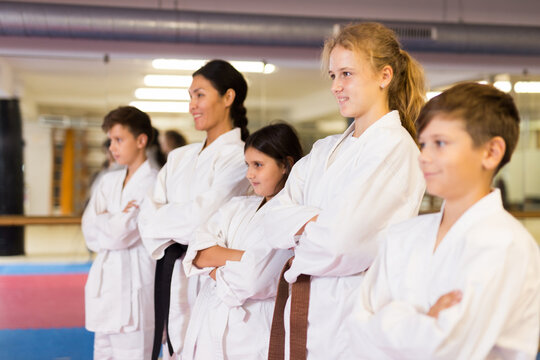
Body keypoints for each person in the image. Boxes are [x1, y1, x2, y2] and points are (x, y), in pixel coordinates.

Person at [265, 22, 427, 359]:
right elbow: (269, 220)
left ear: (384, 76)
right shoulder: (325, 149)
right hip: (307, 310)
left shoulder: (396, 148)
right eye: (333, 75)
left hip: (352, 316)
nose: (336, 86)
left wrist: (300, 229)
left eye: (347, 74)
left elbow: (340, 243)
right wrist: (318, 222)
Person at [349, 82, 540, 359]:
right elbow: (356, 331)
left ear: (491, 152)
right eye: (423, 143)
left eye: (440, 143)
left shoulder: (505, 245)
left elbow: (447, 351)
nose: (424, 157)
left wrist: (390, 317)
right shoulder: (403, 236)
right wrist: (424, 321)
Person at [138, 59, 251, 360]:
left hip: (211, 276)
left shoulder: (242, 157)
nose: (192, 105)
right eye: (190, 96)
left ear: (228, 97)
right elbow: (145, 219)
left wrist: (168, 217)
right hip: (171, 273)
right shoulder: (178, 157)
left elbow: (201, 220)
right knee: (171, 346)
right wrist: (177, 220)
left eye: (200, 94)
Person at [181, 123, 303, 359]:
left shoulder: (293, 216)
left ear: (286, 165)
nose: (249, 174)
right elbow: (198, 252)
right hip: (208, 326)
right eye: (248, 165)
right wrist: (245, 259)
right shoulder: (237, 206)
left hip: (253, 334)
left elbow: (252, 280)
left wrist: (214, 266)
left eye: (258, 165)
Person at [82, 106, 158, 360]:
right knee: (102, 354)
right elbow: (89, 231)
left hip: (135, 284)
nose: (112, 147)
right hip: (106, 287)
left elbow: (120, 234)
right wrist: (115, 220)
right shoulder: (107, 181)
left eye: (119, 139)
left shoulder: (154, 181)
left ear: (141, 140)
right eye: (110, 140)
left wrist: (107, 220)